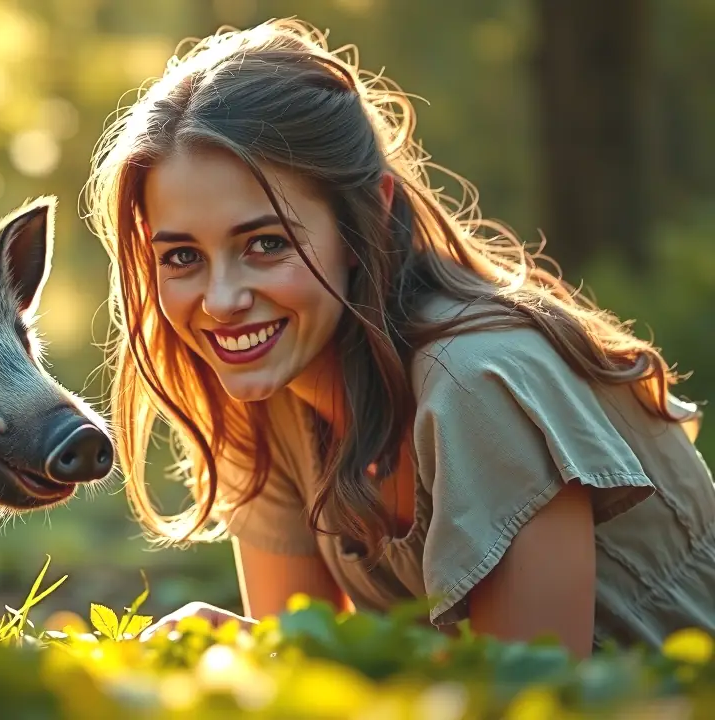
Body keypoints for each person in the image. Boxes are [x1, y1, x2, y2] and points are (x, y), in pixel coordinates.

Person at [81, 17, 713, 658]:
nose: (221, 302)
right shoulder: (269, 385)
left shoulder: (477, 384)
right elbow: (305, 673)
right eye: (182, 257)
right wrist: (247, 652)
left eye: (266, 244)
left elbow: (533, 693)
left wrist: (273, 655)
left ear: (371, 211)